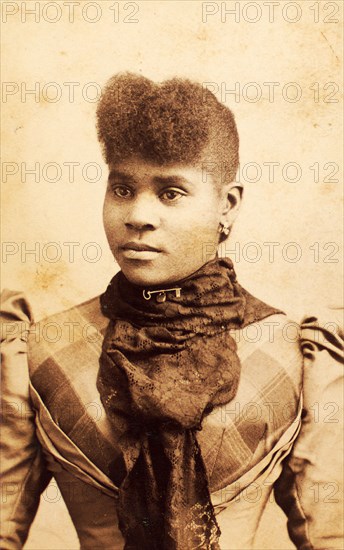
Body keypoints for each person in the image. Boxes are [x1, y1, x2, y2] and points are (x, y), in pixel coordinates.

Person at [0, 73, 342, 550]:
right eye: (121, 189)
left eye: (170, 192)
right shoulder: (39, 349)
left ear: (228, 205)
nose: (137, 215)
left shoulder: (294, 354)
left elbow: (330, 537)